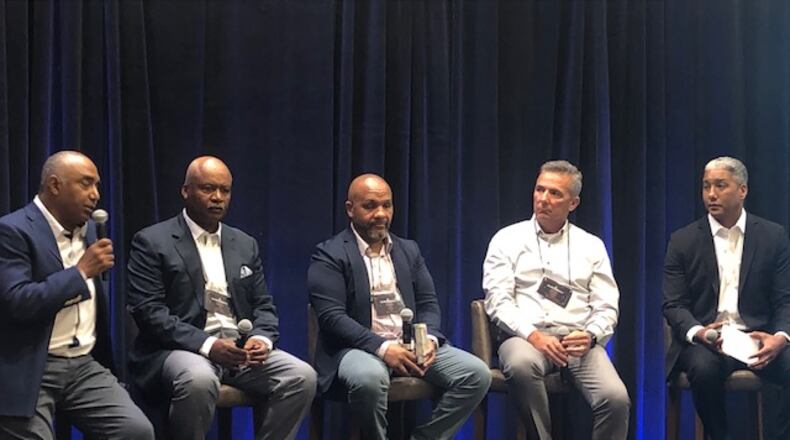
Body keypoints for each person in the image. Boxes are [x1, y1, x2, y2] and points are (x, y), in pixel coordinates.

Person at [127, 156, 316, 440]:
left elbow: (263, 305)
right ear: (186, 191)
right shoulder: (153, 241)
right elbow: (150, 312)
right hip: (182, 350)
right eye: (208, 189)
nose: (217, 197)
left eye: (224, 190)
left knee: (301, 376)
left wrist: (261, 339)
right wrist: (209, 345)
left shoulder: (244, 243)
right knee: (199, 380)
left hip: (239, 352)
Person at [307, 173, 491, 440]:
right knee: (369, 379)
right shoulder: (329, 254)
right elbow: (332, 317)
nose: (381, 214)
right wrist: (383, 348)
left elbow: (428, 303)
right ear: (350, 209)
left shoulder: (408, 250)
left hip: (410, 346)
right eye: (370, 206)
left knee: (476, 374)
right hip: (357, 348)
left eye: (387, 205)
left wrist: (428, 339)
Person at [0, 151, 153, 439]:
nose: (95, 195)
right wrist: (80, 273)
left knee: (136, 431)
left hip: (82, 364)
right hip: (30, 366)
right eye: (86, 183)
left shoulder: (91, 230)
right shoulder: (12, 230)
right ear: (55, 185)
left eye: (97, 185)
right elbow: (17, 302)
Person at [483, 160, 630, 440]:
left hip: (577, 342)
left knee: (615, 398)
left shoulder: (591, 245)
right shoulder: (507, 239)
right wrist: (534, 336)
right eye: (540, 190)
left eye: (554, 193)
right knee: (521, 366)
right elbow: (497, 301)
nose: (543, 199)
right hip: (526, 338)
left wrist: (591, 335)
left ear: (573, 203)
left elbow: (607, 304)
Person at [663, 156, 790, 440]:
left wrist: (781, 337)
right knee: (703, 370)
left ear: (742, 190)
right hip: (708, 340)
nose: (711, 194)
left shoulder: (773, 236)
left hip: (758, 337)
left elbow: (785, 299)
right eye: (706, 186)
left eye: (720, 185)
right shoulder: (683, 240)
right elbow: (674, 304)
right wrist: (699, 332)